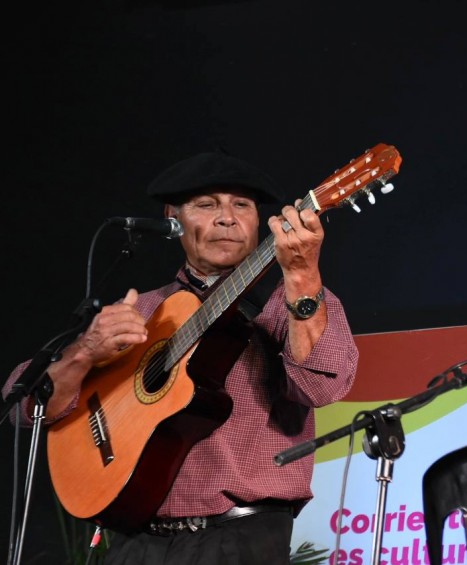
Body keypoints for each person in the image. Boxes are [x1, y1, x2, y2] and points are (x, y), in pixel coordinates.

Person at [2, 151, 359, 564]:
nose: (227, 218)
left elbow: (323, 387)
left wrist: (301, 276)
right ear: (173, 218)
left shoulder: (291, 302)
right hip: (134, 543)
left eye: (242, 205)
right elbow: (23, 404)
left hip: (239, 542)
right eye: (207, 205)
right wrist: (84, 353)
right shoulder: (140, 310)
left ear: (260, 221)